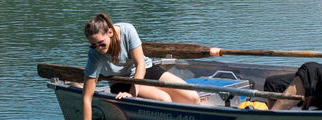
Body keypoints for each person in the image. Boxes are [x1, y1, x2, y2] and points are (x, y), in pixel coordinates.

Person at [81, 13, 219, 120]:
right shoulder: (95, 54)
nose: (98, 48)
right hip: (121, 81)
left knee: (193, 97)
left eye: (101, 44)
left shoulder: (127, 30)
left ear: (110, 32)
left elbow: (140, 64)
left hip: (146, 69)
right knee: (164, 99)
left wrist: (132, 94)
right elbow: (87, 97)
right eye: (93, 45)